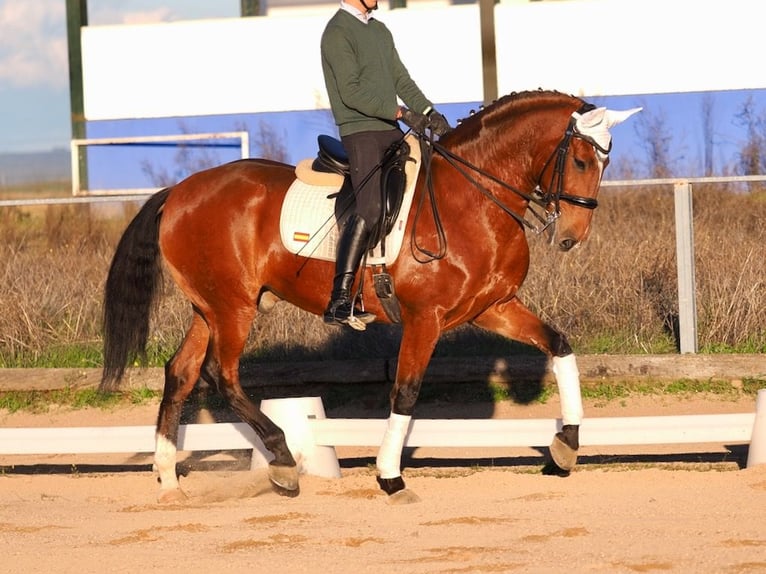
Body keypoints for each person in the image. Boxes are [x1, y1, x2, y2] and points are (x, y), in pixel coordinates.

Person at [320, 0, 451, 330]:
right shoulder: (336, 32)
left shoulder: (379, 30)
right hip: (361, 131)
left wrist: (430, 111)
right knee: (372, 208)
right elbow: (351, 93)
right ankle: (339, 299)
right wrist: (400, 113)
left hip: (390, 130)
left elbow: (401, 79)